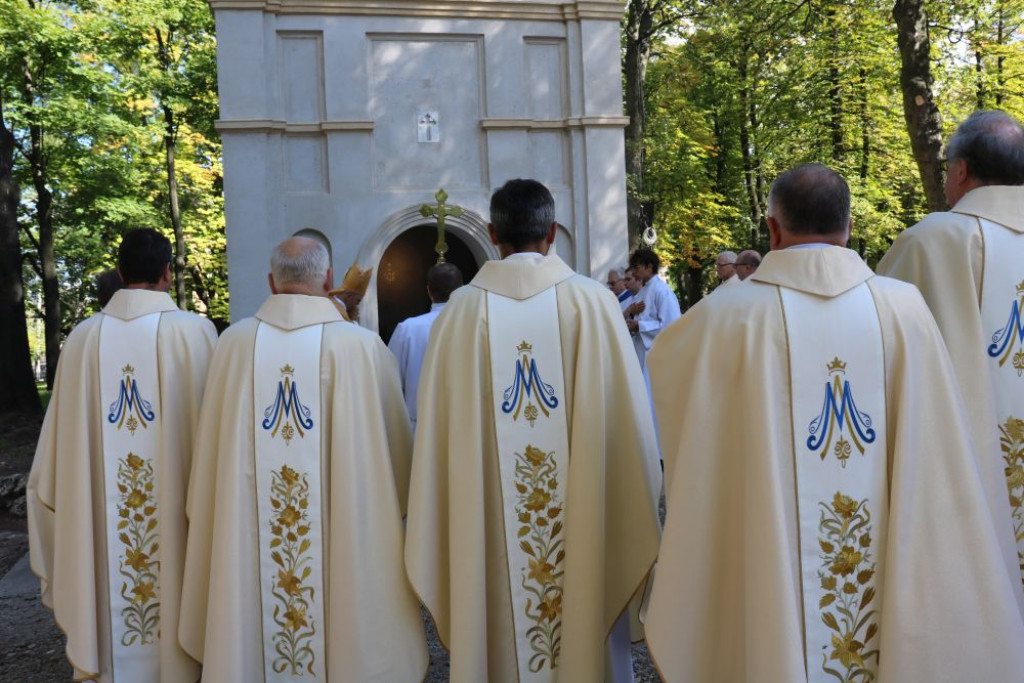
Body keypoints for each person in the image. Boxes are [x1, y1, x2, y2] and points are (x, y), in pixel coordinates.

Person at [643, 163, 1024, 682]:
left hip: (768, 570)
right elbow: (937, 451)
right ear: (847, 228)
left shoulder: (725, 318)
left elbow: (668, 377)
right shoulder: (903, 309)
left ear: (772, 230)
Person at [406, 179, 662, 682]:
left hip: (487, 532)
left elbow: (437, 437)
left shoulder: (459, 313)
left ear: (491, 233)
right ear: (551, 232)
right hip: (586, 527)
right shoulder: (593, 304)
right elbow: (631, 434)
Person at [178, 237, 426, 682]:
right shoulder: (362, 348)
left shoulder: (232, 345)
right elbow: (397, 457)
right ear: (329, 280)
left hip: (248, 537)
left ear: (272, 283)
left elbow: (210, 452)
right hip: (345, 534)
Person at [27, 228, 217, 682]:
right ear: (169, 273)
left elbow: (60, 447)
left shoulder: (83, 339)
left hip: (102, 525)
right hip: (181, 514)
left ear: (119, 272)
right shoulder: (197, 334)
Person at [877, 110, 1024, 589]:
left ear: (960, 171)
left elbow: (879, 352)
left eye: (946, 170)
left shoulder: (933, 241)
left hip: (964, 489)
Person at [388, 262, 463, 429]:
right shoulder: (474, 326)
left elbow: (389, 383)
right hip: (464, 428)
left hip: (419, 429)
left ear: (428, 291)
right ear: (461, 289)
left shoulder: (407, 329)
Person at [625, 246, 681, 376]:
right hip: (640, 350)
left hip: (656, 353)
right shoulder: (642, 291)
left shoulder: (662, 291)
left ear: (649, 267)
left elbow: (671, 325)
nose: (633, 273)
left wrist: (639, 326)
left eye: (636, 268)